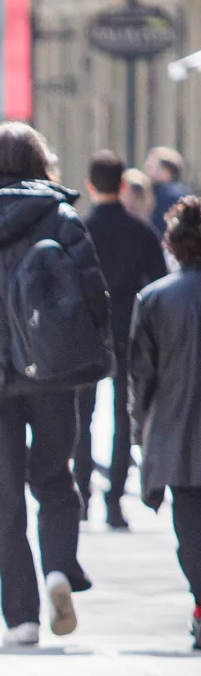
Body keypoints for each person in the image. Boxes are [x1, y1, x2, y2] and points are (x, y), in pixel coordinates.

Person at [0, 122, 110, 646]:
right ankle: (58, 568)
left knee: (2, 496)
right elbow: (95, 297)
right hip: (54, 376)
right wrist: (90, 366)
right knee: (56, 481)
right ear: (42, 164)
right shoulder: (61, 217)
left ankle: (21, 617)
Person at [73, 150, 167, 530]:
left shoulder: (79, 230)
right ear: (124, 185)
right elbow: (158, 283)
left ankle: (81, 495)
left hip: (87, 331)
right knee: (123, 416)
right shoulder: (141, 232)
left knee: (84, 415)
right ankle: (114, 500)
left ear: (89, 186)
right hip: (129, 328)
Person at [129, 195, 201, 648]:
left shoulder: (155, 299)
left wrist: (141, 434)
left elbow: (142, 378)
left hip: (179, 437)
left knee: (191, 534)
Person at [148, 147, 191, 232]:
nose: (147, 166)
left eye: (152, 164)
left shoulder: (168, 195)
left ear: (166, 170)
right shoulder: (184, 192)